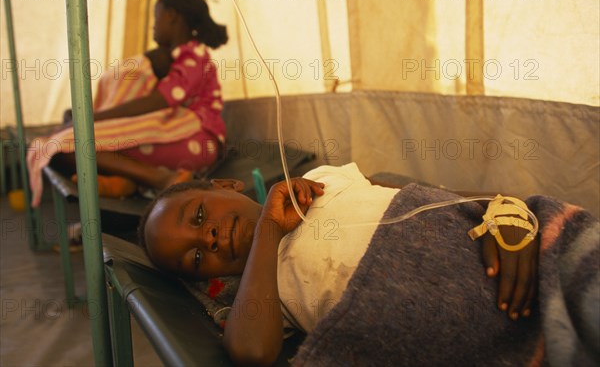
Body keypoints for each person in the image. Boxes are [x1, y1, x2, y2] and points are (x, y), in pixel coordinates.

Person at [138, 163, 541, 365]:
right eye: (195, 257)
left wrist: (508, 209)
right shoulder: (263, 293)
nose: (206, 237)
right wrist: (267, 231)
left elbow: (438, 200)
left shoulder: (321, 179)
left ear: (226, 185)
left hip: (504, 260)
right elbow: (251, 353)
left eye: (198, 217)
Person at [27, 0, 228, 207]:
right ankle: (130, 181)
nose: (153, 25)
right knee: (68, 146)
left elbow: (160, 100)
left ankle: (160, 178)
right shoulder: (176, 56)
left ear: (171, 16)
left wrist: (94, 118)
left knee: (69, 147)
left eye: (156, 17)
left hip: (198, 141)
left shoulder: (194, 54)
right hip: (182, 137)